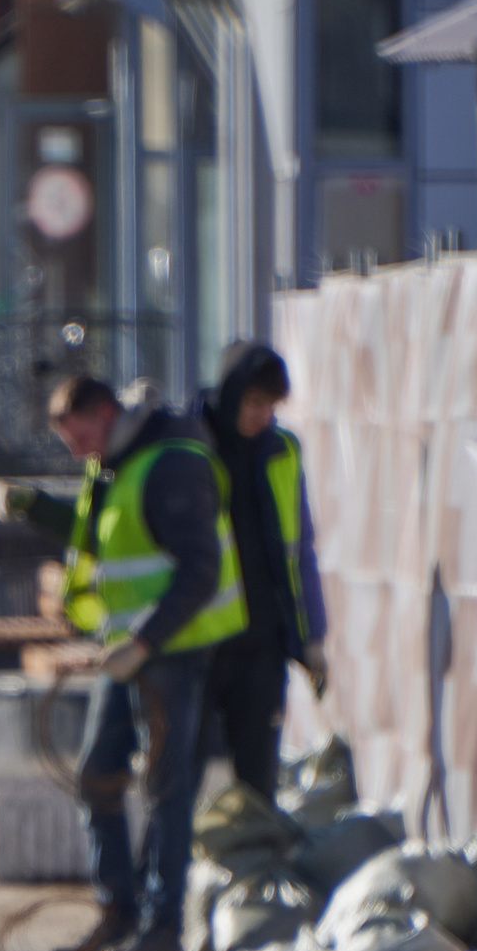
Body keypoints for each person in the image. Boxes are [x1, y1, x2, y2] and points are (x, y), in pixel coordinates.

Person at [0, 376, 223, 951]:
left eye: (79, 434)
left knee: (167, 788)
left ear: (106, 412)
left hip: (168, 652)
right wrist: (34, 505)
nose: (75, 451)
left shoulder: (170, 462)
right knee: (97, 775)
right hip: (126, 651)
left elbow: (201, 570)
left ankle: (162, 927)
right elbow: (101, 536)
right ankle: (118, 914)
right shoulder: (112, 464)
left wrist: (144, 643)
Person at [196, 342, 329, 798]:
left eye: (271, 406)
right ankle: (166, 869)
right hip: (199, 638)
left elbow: (300, 550)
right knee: (178, 775)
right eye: (255, 403)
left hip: (262, 640)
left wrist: (312, 635)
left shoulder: (281, 450)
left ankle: (252, 865)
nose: (263, 416)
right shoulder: (193, 444)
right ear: (232, 394)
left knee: (257, 779)